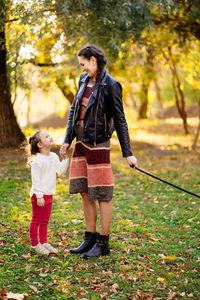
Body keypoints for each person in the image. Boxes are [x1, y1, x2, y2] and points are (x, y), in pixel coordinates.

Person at [60, 44, 137, 258]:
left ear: (93, 60)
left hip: (99, 145)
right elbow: (74, 111)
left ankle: (103, 243)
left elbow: (120, 120)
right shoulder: (83, 81)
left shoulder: (111, 85)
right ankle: (90, 238)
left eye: (84, 64)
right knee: (85, 192)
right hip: (81, 144)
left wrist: (128, 152)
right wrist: (67, 140)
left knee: (102, 194)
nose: (82, 68)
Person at [28, 130, 68, 255]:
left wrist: (65, 159)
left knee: (45, 221)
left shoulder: (53, 157)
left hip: (49, 194)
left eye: (49, 135)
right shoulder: (37, 161)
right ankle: (35, 244)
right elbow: (36, 180)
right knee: (36, 220)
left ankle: (44, 242)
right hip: (38, 196)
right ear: (39, 145)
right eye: (46, 137)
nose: (50, 137)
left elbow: (60, 171)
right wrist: (39, 196)